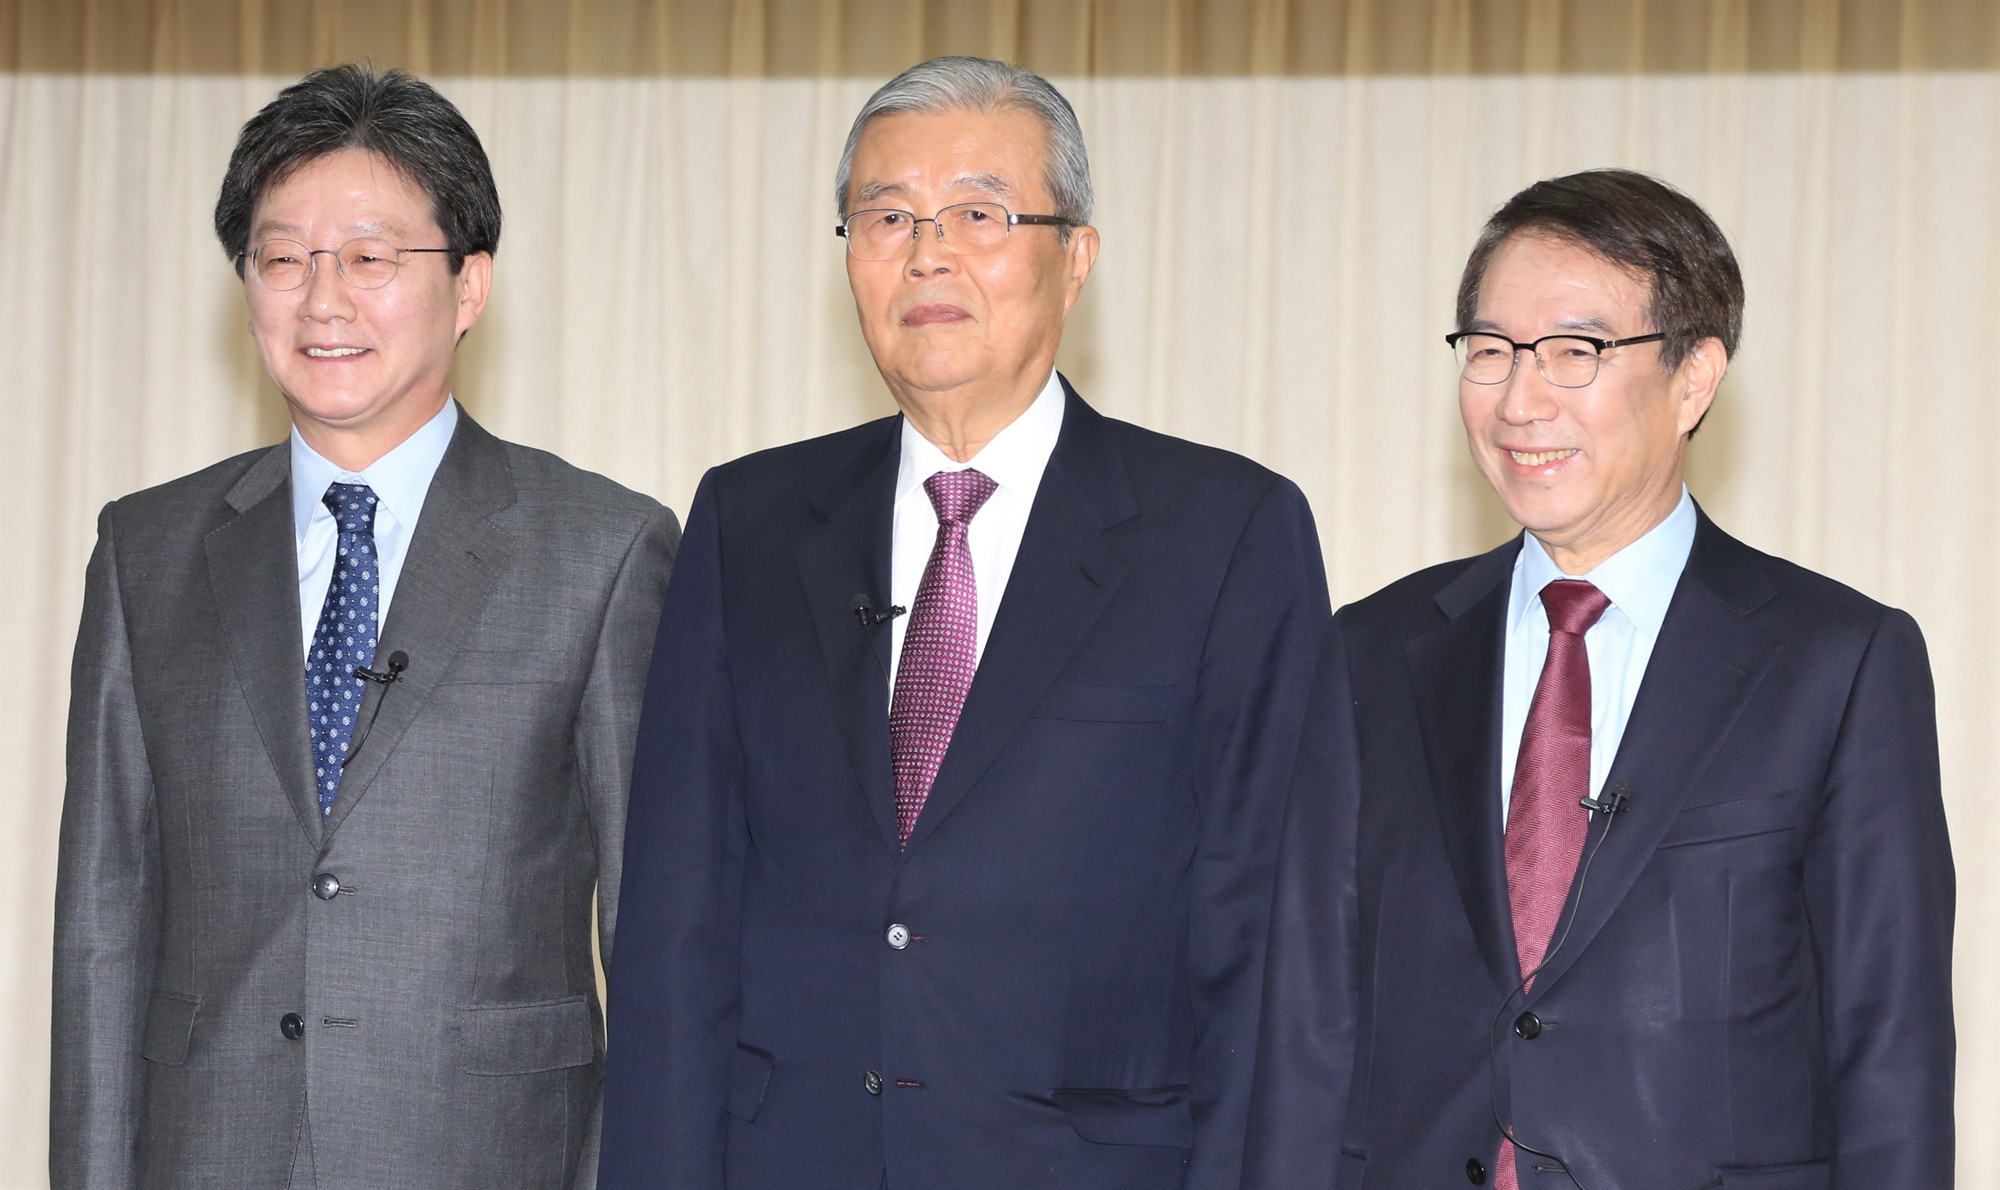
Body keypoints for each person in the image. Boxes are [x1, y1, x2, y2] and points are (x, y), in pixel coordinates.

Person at [598, 56, 1328, 1190]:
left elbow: (1266, 948)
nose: (925, 251)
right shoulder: (750, 519)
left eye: (978, 213)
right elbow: (675, 924)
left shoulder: (1225, 532)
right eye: (885, 216)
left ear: (1074, 256)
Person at [1245, 168, 1954, 1189]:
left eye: (1573, 352)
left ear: (1693, 377)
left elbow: (1887, 1046)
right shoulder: (1373, 651)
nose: (1520, 398)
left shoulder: (1835, 662)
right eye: (1488, 352)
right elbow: (1305, 1022)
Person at [51, 65, 679, 1190]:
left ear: (469, 283)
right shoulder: (146, 550)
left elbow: (654, 940)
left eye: (371, 258)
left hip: (491, 1155)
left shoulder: (604, 550)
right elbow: (103, 923)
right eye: (283, 257)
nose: (322, 298)